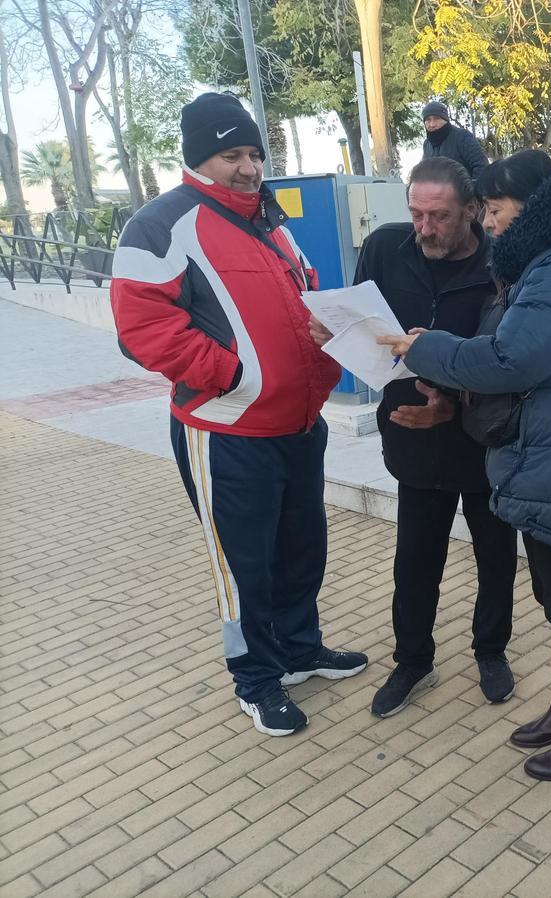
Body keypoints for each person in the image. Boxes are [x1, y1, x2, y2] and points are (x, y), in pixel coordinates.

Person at [379, 150, 551, 781]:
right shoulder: (547, 262)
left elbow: (515, 359)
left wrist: (428, 349)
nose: (490, 223)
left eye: (495, 210)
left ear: (529, 207)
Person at [110, 92, 368, 737]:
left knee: (302, 549)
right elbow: (143, 327)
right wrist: (234, 375)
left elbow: (302, 301)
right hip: (226, 429)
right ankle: (255, 678)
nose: (249, 167)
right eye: (232, 155)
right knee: (242, 563)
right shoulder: (160, 224)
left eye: (254, 152)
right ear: (200, 158)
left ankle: (300, 650)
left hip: (299, 424)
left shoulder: (270, 222)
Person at [311, 157, 518, 717]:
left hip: (482, 439)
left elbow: (507, 359)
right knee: (414, 559)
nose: (425, 227)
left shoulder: (503, 260)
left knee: (495, 555)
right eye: (417, 213)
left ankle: (491, 650)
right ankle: (413, 659)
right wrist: (331, 333)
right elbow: (360, 324)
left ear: (472, 212)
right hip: (411, 435)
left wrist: (452, 403)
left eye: (440, 216)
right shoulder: (384, 248)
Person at [421, 100, 490, 180]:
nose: (432, 124)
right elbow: (424, 172)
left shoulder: (462, 137)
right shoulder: (427, 144)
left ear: (445, 120)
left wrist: (471, 189)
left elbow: (482, 166)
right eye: (428, 119)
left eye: (436, 118)